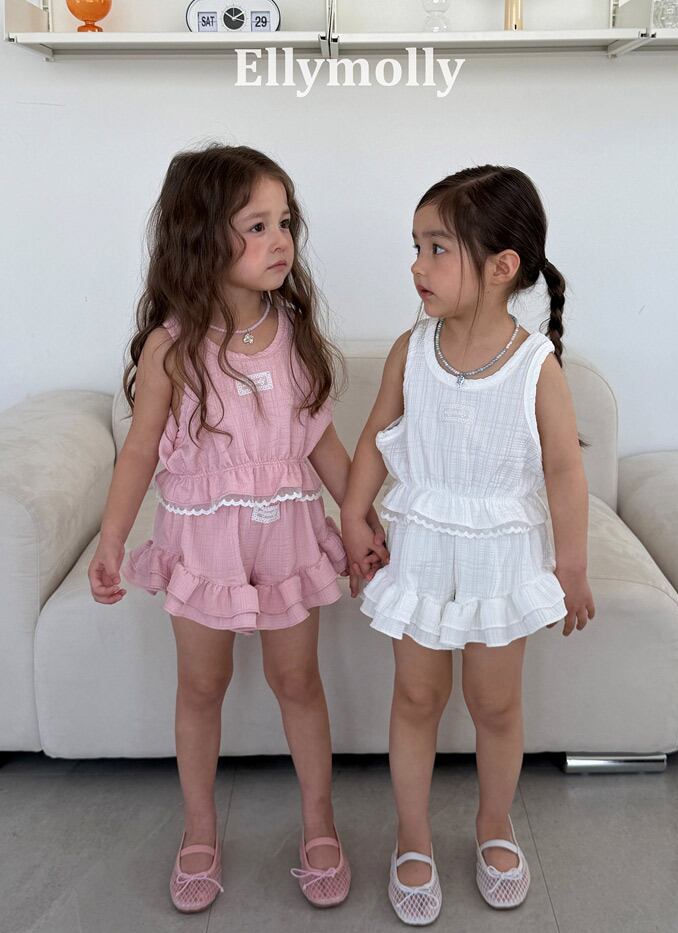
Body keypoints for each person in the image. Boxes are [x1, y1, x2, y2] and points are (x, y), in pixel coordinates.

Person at [88, 144, 387, 913]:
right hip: (201, 541)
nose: (280, 239)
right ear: (201, 236)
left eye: (284, 222)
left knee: (298, 681)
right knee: (201, 684)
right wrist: (112, 537)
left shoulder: (293, 335)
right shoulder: (172, 347)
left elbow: (321, 442)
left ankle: (319, 822)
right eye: (257, 225)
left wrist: (360, 518)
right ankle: (199, 830)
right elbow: (140, 451)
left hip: (287, 536)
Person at [341, 165, 596, 924]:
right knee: (417, 696)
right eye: (416, 246)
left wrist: (571, 566)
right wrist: (354, 513)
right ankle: (412, 835)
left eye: (437, 248)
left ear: (501, 266)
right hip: (422, 547)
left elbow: (565, 471)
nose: (416, 266)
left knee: (494, 702)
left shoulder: (535, 367)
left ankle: (493, 823)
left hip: (500, 557)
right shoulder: (411, 349)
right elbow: (376, 436)